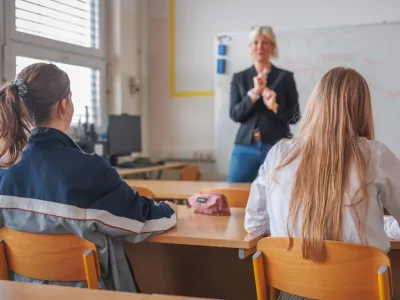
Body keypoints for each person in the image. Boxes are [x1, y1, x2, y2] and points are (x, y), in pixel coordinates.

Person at [0, 63, 178, 291]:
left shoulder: (5, 168)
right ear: (64, 105)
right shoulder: (88, 169)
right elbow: (144, 222)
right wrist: (170, 208)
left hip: (24, 293)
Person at [244, 67, 400, 299]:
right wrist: (385, 226)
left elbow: (254, 225)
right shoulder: (375, 155)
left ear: (315, 104)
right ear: (362, 109)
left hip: (291, 292)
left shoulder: (280, 153)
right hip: (360, 292)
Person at [227, 25, 300, 183]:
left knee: (280, 194)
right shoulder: (240, 78)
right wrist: (254, 94)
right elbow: (235, 114)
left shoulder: (285, 77)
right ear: (250, 47)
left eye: (265, 42)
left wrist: (274, 106)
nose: (259, 47)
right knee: (234, 192)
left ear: (273, 46)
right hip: (245, 147)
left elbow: (295, 117)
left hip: (277, 147)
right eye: (255, 42)